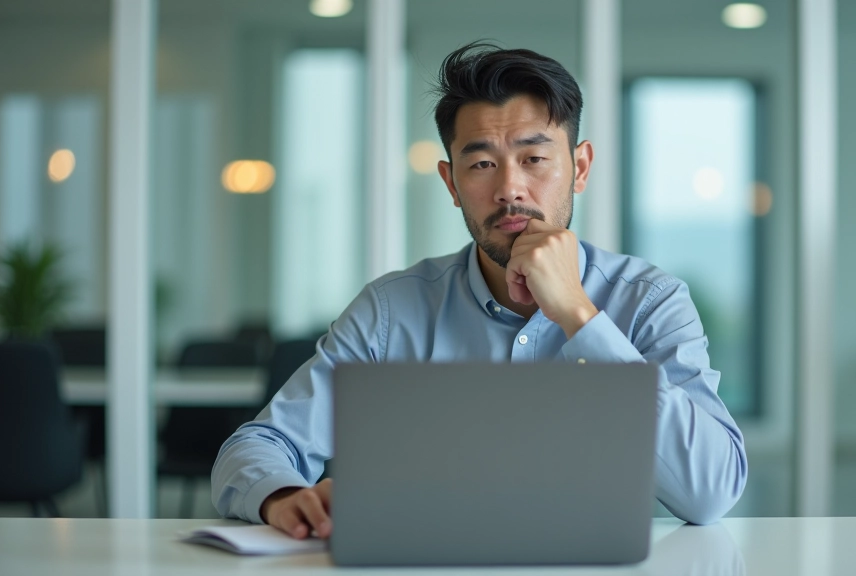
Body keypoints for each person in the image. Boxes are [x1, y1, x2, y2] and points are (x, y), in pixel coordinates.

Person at [212, 42, 747, 539]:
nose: (510, 188)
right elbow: (259, 445)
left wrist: (580, 318)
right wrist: (283, 496)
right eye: (483, 163)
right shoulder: (391, 312)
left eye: (534, 159)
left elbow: (709, 492)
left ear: (579, 168)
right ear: (451, 182)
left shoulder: (650, 301)